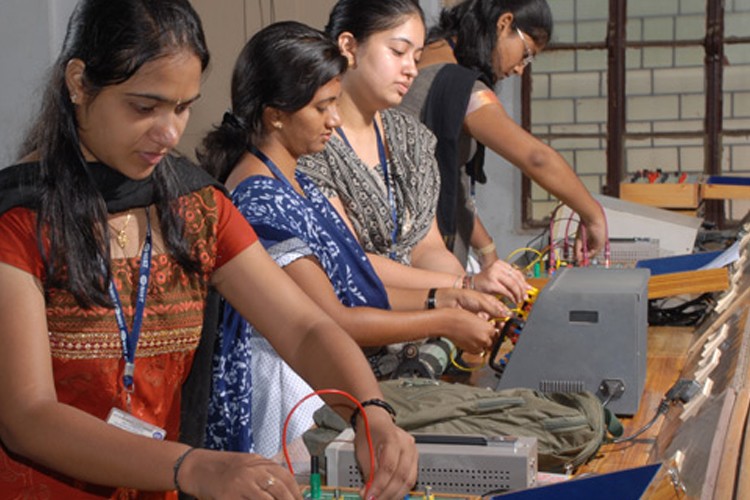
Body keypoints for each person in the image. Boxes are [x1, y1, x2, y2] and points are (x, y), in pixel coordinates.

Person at [0, 1, 416, 499]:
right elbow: (28, 415)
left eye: (182, 107)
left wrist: (370, 412)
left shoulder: (194, 208)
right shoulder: (20, 219)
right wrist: (192, 467)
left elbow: (304, 329)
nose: (169, 133)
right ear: (79, 83)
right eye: (144, 107)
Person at [198, 20, 508, 459]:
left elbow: (356, 284)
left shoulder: (295, 179)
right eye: (323, 107)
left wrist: (448, 298)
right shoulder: (260, 200)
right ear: (276, 115)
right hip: (286, 391)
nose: (335, 120)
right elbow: (334, 319)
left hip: (319, 377)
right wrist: (445, 320)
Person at [297, 0, 532, 304]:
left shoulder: (411, 138)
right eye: (397, 52)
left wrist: (465, 290)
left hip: (417, 330)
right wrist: (462, 286)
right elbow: (351, 261)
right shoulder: (312, 143)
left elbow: (427, 247)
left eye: (417, 56)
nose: (410, 69)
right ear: (349, 46)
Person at [398, 0, 607, 268]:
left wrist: (487, 250)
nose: (521, 69)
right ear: (504, 23)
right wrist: (593, 216)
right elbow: (536, 158)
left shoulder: (431, 58)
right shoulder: (461, 86)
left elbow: (448, 181)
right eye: (526, 54)